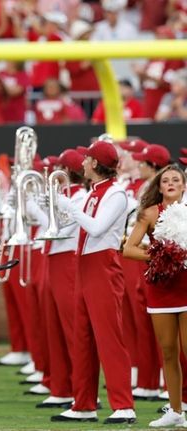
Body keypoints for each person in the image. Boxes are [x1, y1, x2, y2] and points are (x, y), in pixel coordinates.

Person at [51, 140, 136, 424]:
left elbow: (98, 228)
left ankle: (124, 405)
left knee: (109, 338)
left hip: (103, 266)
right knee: (83, 339)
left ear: (97, 164)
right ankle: (84, 403)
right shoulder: (92, 193)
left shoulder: (117, 194)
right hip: (84, 265)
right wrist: (54, 209)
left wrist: (70, 208)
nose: (83, 162)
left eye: (88, 158)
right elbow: (72, 228)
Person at [123, 165, 187, 427]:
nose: (171, 183)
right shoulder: (149, 213)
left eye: (176, 180)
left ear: (183, 186)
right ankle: (175, 411)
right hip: (160, 289)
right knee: (169, 351)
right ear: (159, 187)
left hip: (186, 286)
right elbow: (128, 249)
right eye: (166, 180)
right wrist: (160, 256)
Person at [28, 149, 87, 409]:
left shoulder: (82, 196)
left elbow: (59, 228)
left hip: (68, 261)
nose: (53, 173)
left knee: (72, 330)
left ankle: (83, 391)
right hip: (53, 258)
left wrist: (34, 205)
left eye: (60, 168)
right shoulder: (63, 195)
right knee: (54, 328)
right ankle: (61, 387)